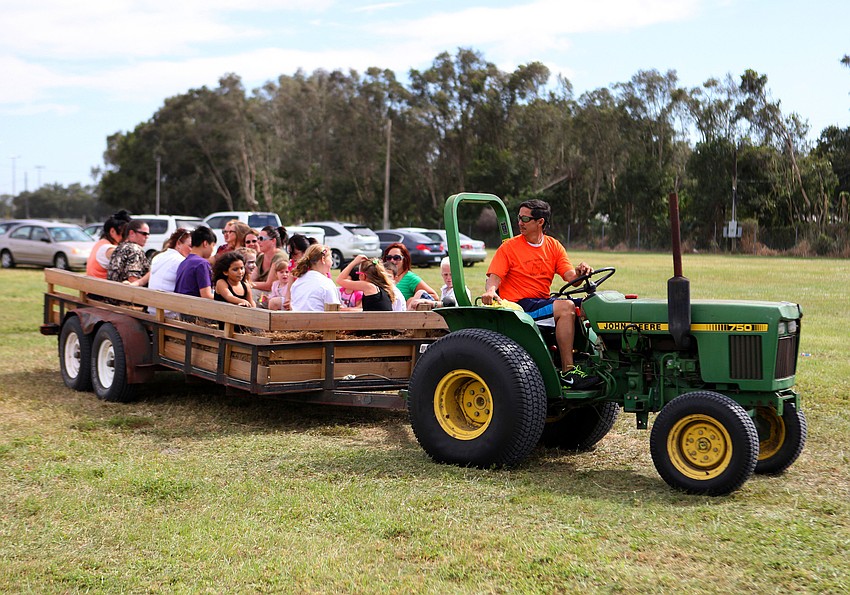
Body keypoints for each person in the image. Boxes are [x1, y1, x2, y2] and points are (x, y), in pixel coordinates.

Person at [481, 199, 598, 390]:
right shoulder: (509, 247)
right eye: (519, 218)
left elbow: (571, 279)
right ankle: (568, 372)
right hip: (520, 307)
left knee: (592, 306)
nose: (520, 223)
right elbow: (494, 278)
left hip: (542, 302)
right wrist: (490, 291)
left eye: (525, 219)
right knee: (566, 307)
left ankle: (600, 363)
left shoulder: (554, 246)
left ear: (540, 222)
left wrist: (580, 273)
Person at [147, 228, 192, 317]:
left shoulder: (158, 257)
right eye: (190, 246)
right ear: (178, 243)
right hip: (168, 314)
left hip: (152, 310)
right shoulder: (180, 261)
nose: (192, 250)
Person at [289, 244, 340, 312]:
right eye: (330, 258)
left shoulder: (297, 283)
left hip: (296, 321)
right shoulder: (326, 283)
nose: (332, 262)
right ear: (323, 259)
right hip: (319, 322)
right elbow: (333, 311)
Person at [174, 226, 216, 301]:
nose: (213, 250)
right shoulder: (202, 264)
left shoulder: (184, 262)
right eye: (213, 245)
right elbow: (206, 296)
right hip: (193, 310)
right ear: (205, 243)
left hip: (181, 309)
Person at [86, 210, 132, 279]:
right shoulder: (109, 249)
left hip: (93, 287)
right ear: (112, 231)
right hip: (102, 288)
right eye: (124, 234)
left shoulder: (100, 243)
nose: (127, 238)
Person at [107, 219, 151, 286]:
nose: (147, 237)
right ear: (132, 233)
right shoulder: (135, 249)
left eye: (148, 234)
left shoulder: (119, 247)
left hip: (112, 292)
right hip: (125, 294)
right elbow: (133, 279)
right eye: (144, 234)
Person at [251, 225, 288, 297]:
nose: (258, 242)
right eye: (258, 238)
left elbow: (269, 285)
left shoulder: (280, 258)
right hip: (261, 291)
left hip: (274, 295)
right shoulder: (261, 257)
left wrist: (247, 284)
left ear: (273, 241)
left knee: (250, 294)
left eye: (261, 239)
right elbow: (252, 277)